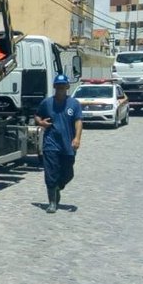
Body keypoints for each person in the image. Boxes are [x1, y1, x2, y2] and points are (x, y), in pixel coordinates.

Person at [34, 74, 83, 213]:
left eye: (63, 86)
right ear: (55, 87)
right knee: (51, 173)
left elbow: (78, 121)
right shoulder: (47, 103)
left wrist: (77, 138)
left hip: (68, 145)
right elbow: (37, 115)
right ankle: (52, 203)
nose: (61, 88)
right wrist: (41, 122)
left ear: (67, 87)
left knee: (68, 174)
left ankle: (57, 188)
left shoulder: (74, 104)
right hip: (51, 144)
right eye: (58, 86)